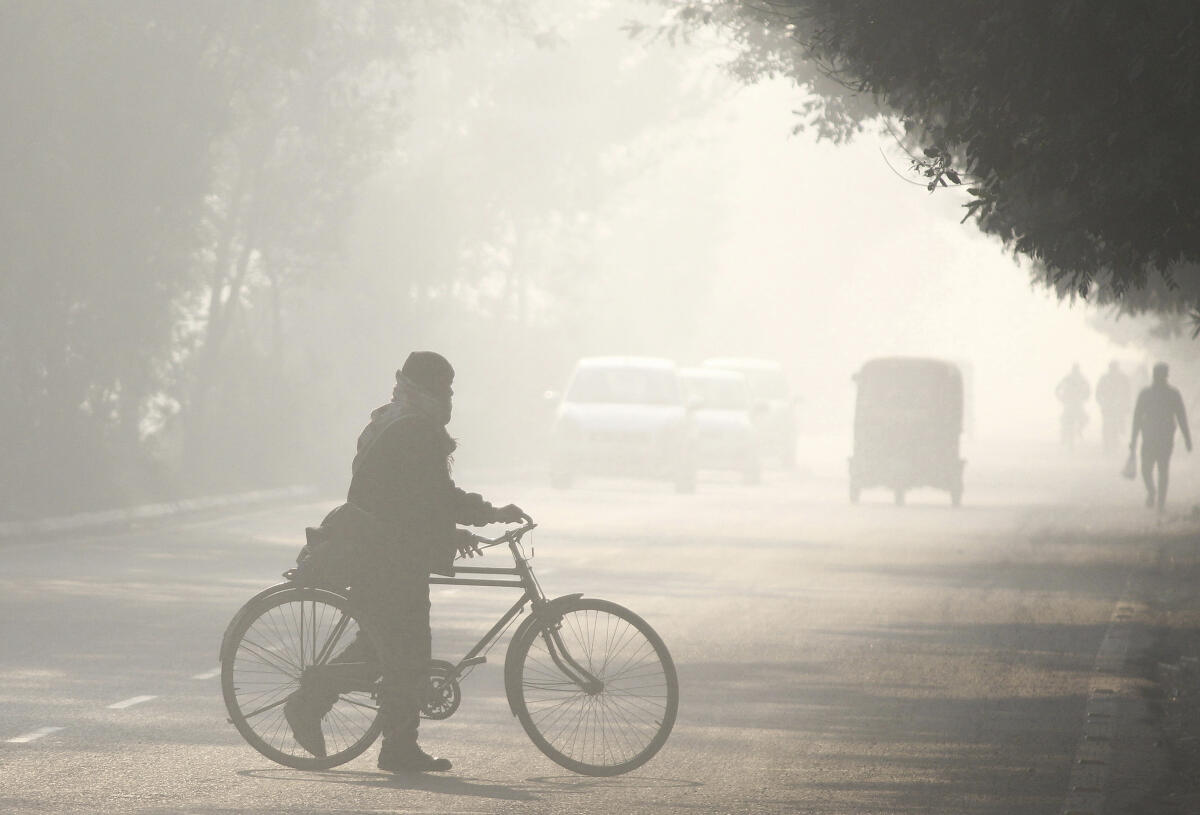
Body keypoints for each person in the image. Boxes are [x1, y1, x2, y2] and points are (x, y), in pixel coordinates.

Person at [285, 351, 528, 772]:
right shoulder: (412, 429)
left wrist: (473, 519)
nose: (449, 398)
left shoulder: (394, 418)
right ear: (430, 389)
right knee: (397, 651)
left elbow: (420, 496)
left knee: (395, 647)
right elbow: (427, 499)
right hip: (383, 555)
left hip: (386, 550)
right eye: (445, 389)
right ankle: (316, 706)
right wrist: (478, 519)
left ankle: (396, 744)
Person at [1130, 362, 1192, 512]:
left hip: (1164, 437)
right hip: (1150, 436)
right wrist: (1133, 439)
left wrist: (1187, 437)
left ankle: (1161, 503)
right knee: (1146, 469)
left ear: (1165, 375)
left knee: (1163, 469)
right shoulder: (1146, 393)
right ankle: (1152, 491)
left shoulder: (1172, 394)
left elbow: (1181, 416)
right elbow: (1137, 417)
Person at [1095, 360, 1132, 453]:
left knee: (1115, 424)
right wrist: (1102, 402)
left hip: (1117, 406)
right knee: (1107, 426)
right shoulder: (1105, 378)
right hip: (1108, 406)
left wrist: (1126, 405)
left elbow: (1128, 392)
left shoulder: (1122, 378)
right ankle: (1107, 445)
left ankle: (1113, 443)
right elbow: (1098, 392)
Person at [1055, 363, 1091, 449]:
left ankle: (1077, 430)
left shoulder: (1079, 378)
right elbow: (1057, 389)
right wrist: (1061, 398)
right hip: (1071, 403)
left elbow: (1088, 390)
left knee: (1083, 419)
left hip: (1075, 403)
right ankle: (1065, 435)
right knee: (1065, 420)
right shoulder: (1070, 378)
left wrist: (1084, 397)